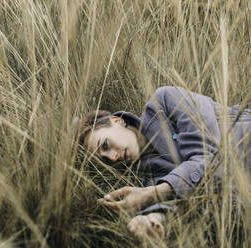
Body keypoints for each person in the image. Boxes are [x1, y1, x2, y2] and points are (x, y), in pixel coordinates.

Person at [78, 86, 251, 238]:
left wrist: (154, 192)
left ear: (117, 121)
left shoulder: (164, 101)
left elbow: (208, 157)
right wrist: (150, 219)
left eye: (106, 145)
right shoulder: (149, 175)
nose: (113, 157)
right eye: (106, 161)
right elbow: (168, 204)